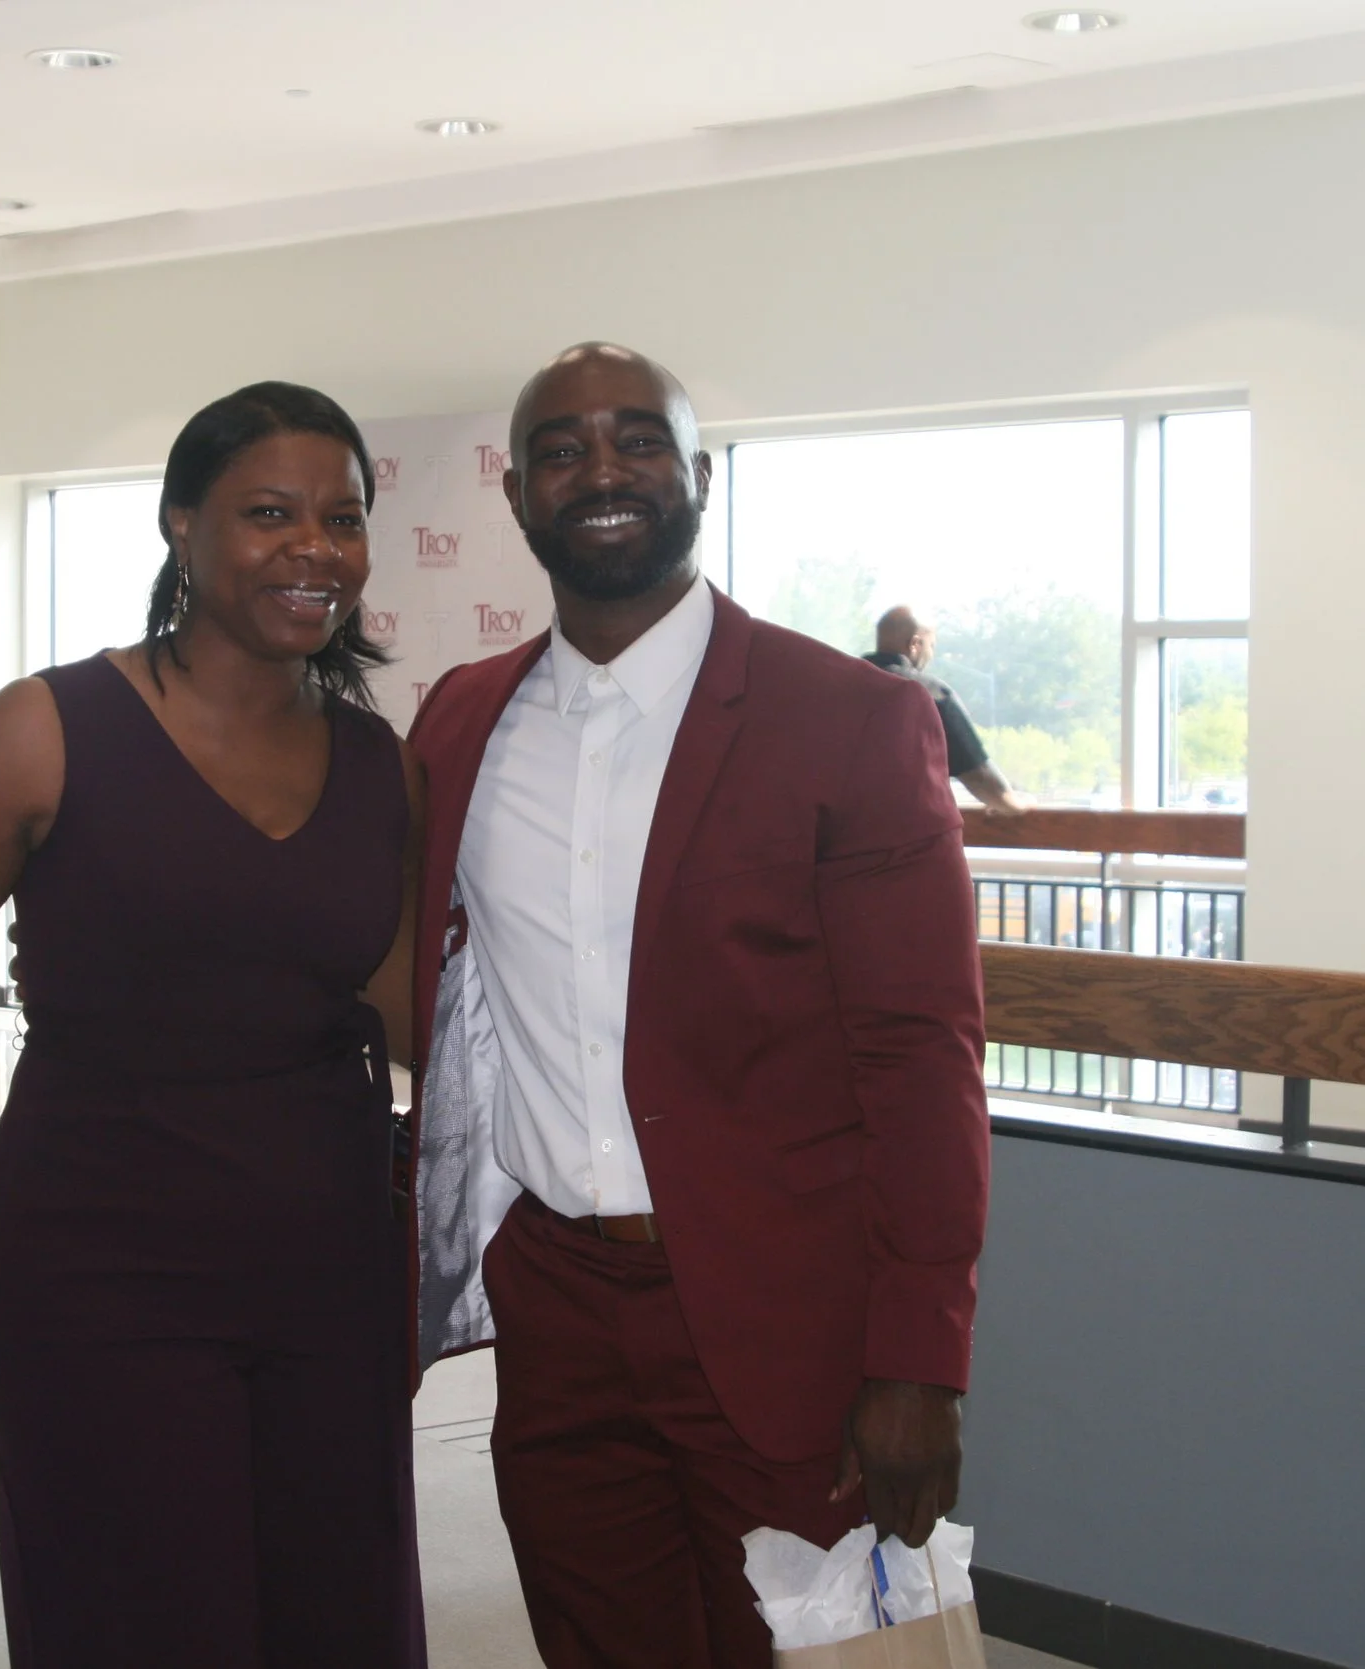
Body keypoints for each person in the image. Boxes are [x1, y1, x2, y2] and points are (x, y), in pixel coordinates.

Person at [0, 382, 428, 1668]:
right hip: (99, 1270)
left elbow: (415, 1015)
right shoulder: (47, 730)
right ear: (180, 523)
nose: (314, 547)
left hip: (329, 1270)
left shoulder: (376, 762)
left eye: (343, 519)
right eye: (270, 513)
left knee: (339, 1622)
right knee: (140, 1622)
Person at [406, 345, 990, 1669]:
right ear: (517, 494)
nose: (601, 470)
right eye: (561, 449)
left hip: (790, 1321)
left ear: (700, 477)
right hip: (557, 1319)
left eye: (639, 439)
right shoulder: (463, 722)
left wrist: (920, 1358)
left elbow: (921, 1057)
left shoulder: (847, 719)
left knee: (833, 1656)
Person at [866, 605, 1031, 817]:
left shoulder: (840, 688)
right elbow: (978, 776)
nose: (931, 654)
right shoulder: (928, 693)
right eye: (931, 646)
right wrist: (1015, 804)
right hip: (907, 828)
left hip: (841, 830)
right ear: (915, 644)